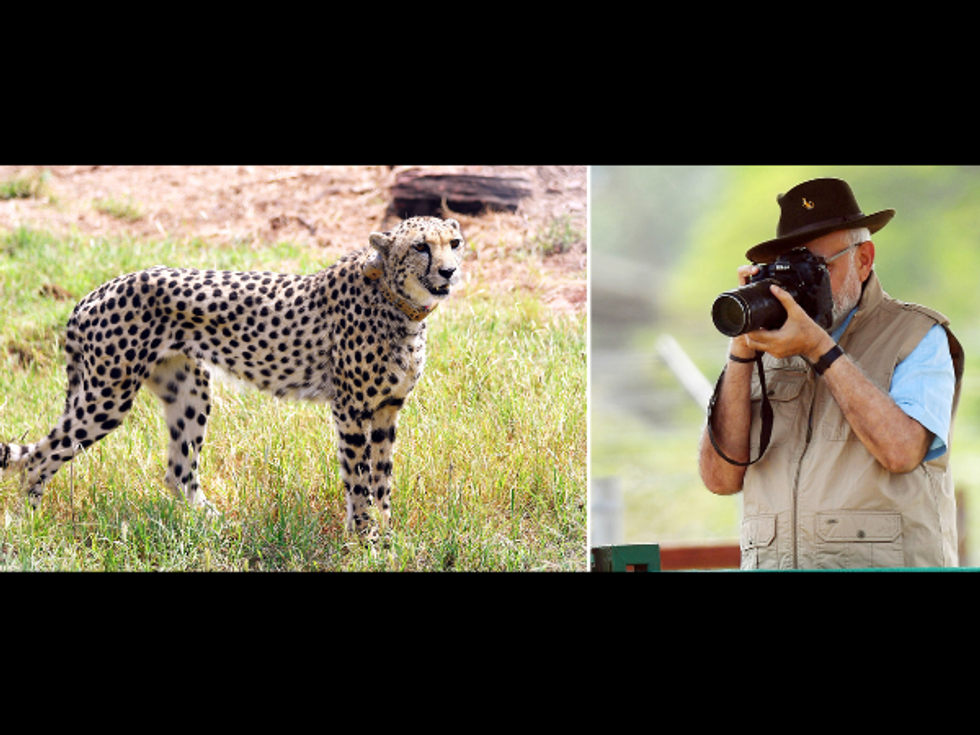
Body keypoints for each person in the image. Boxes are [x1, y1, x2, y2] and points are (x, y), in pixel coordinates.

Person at [698, 177, 964, 569]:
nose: (802, 283)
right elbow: (720, 479)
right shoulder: (766, 347)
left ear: (864, 259)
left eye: (816, 267)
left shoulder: (917, 334)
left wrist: (819, 348)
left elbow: (903, 451)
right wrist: (741, 348)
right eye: (788, 270)